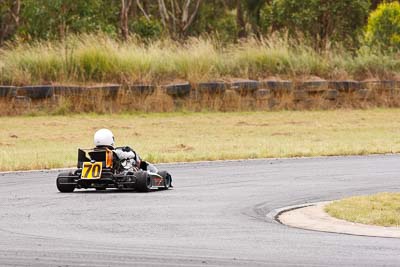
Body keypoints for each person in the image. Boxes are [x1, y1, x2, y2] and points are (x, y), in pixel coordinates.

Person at [93, 128, 158, 174]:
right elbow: (131, 155)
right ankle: (156, 172)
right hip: (115, 172)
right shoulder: (115, 153)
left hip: (100, 172)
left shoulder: (93, 153)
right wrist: (132, 152)